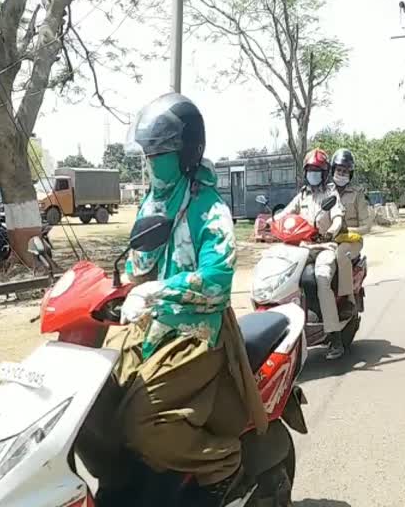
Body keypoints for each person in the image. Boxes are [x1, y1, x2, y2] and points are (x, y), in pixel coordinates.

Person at [107, 93, 268, 506]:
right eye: (147, 153)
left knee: (142, 422)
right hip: (150, 326)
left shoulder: (208, 208)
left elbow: (217, 280)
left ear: (185, 153)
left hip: (197, 331)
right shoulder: (153, 200)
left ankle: (223, 464)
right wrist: (120, 288)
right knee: (99, 399)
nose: (150, 162)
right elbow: (139, 263)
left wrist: (157, 290)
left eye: (159, 153)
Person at [276, 148, 347, 360]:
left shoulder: (330, 194)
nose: (312, 174)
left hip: (325, 247)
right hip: (302, 248)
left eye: (317, 170)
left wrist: (333, 229)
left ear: (324, 173)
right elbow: (285, 214)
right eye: (310, 170)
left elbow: (337, 216)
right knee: (284, 276)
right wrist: (270, 221)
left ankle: (335, 337)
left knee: (321, 277)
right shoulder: (303, 195)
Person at [330, 148, 371, 314]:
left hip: (352, 241)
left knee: (341, 254)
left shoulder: (357, 194)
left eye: (345, 171)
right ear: (333, 170)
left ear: (350, 173)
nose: (341, 174)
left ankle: (348, 299)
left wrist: (348, 232)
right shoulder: (326, 191)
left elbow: (366, 226)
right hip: (329, 238)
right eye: (339, 170)